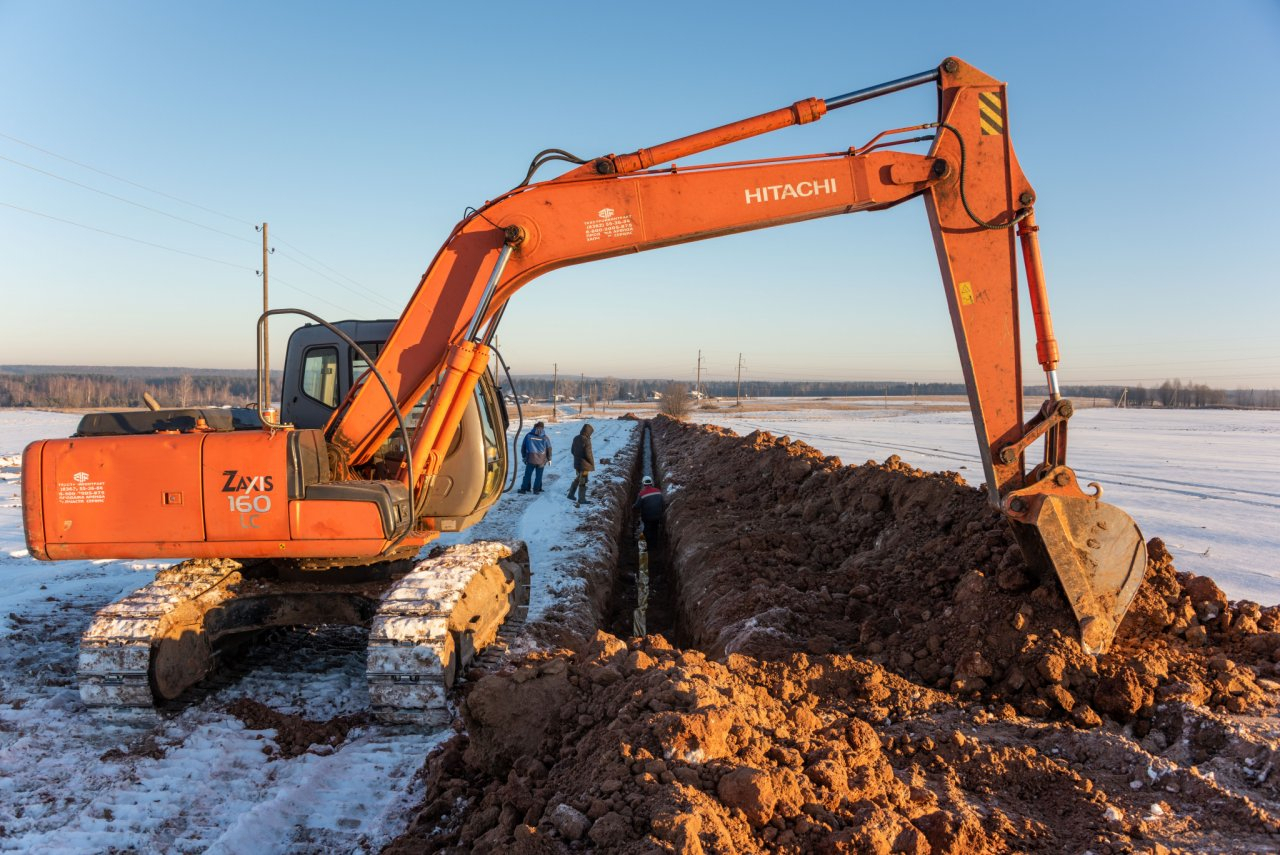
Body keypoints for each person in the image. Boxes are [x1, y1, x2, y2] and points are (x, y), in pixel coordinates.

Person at [518, 422, 551, 493]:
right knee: (539, 476)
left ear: (534, 427)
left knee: (527, 475)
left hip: (530, 459)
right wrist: (549, 459)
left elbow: (523, 447)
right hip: (541, 460)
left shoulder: (528, 436)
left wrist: (524, 456)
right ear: (543, 428)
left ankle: (524, 489)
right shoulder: (545, 437)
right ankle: (536, 490)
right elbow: (549, 449)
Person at [633, 475, 664, 551]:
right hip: (658, 516)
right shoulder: (658, 491)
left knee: (647, 530)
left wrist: (633, 507)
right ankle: (654, 546)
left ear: (643, 484)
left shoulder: (642, 494)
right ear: (651, 483)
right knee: (655, 529)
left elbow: (637, 506)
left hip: (647, 517)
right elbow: (662, 503)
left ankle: (646, 546)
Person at [566, 423, 594, 506]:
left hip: (577, 464)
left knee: (578, 478)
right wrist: (591, 464)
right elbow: (588, 454)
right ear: (588, 432)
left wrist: (577, 457)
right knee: (583, 481)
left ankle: (571, 494)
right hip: (585, 465)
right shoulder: (586, 440)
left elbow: (572, 451)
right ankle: (582, 499)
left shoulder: (576, 438)